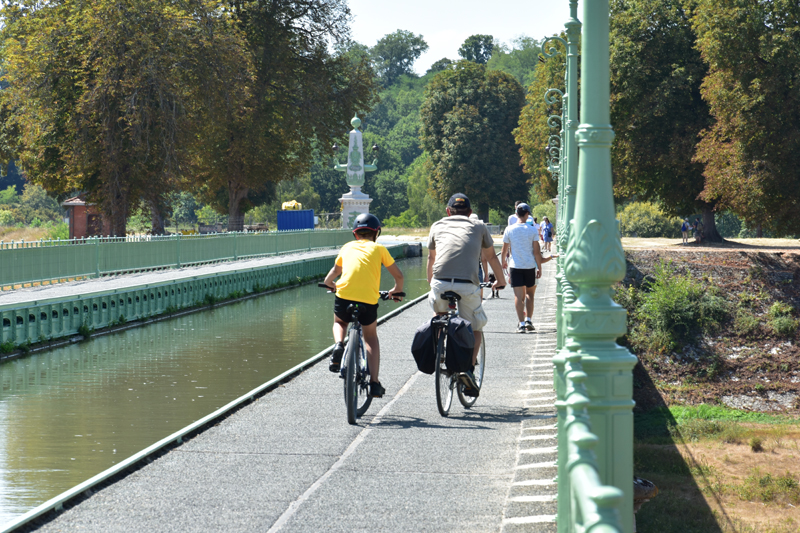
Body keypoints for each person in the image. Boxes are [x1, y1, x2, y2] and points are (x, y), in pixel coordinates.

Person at [428, 193, 506, 395]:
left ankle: (439, 351)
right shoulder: (479, 226)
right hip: (467, 285)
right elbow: (491, 257)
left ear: (448, 211)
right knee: (475, 326)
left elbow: (431, 258)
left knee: (439, 314)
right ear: (470, 212)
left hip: (440, 283)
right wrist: (501, 280)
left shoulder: (437, 226)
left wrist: (432, 285)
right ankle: (469, 370)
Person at [323, 213, 404, 398]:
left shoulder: (347, 247)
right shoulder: (379, 248)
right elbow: (399, 275)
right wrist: (396, 291)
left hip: (344, 296)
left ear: (355, 233)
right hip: (368, 300)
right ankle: (374, 383)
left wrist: (329, 283)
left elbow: (335, 271)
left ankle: (338, 345)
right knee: (371, 338)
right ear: (376, 233)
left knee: (340, 322)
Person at [501, 203, 557, 333]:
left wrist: (503, 262)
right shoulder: (532, 230)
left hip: (515, 266)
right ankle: (529, 320)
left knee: (518, 295)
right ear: (527, 214)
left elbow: (504, 250)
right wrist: (539, 268)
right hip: (530, 266)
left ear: (516, 214)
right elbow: (536, 252)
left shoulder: (509, 229)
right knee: (530, 294)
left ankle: (521, 324)